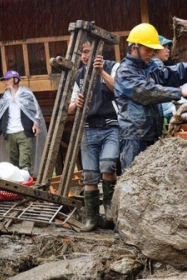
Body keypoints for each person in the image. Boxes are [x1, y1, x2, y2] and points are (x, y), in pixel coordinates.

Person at [114, 23, 187, 173]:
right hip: (134, 138)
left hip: (152, 134)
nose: (151, 53)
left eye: (153, 49)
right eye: (147, 49)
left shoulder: (150, 68)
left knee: (150, 179)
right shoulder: (125, 72)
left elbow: (174, 73)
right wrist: (179, 93)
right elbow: (146, 92)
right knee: (133, 180)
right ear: (134, 47)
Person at [67, 41, 119, 232]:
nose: (84, 56)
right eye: (82, 53)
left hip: (110, 126)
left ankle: (110, 210)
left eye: (87, 51)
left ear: (98, 52)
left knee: (107, 165)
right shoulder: (79, 75)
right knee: (89, 175)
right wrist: (76, 103)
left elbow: (119, 90)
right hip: (87, 128)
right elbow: (69, 107)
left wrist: (101, 72)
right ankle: (92, 218)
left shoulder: (113, 67)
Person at [0, 70, 47, 178]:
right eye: (4, 80)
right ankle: (17, 188)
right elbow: (0, 117)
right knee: (13, 164)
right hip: (10, 134)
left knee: (24, 163)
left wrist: (36, 123)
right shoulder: (4, 97)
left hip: (24, 132)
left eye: (8, 79)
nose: (5, 82)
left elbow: (34, 110)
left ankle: (25, 185)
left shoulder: (26, 94)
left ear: (15, 80)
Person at [151, 35, 177, 133]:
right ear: (155, 50)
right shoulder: (156, 65)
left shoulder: (156, 64)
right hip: (163, 114)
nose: (168, 50)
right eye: (164, 47)